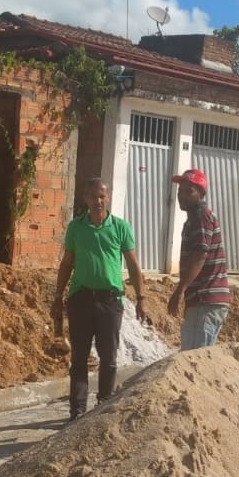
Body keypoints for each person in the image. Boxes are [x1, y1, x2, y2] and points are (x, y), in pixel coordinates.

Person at [53, 177, 146, 420]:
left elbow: (133, 265)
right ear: (85, 199)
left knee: (109, 357)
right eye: (94, 196)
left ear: (109, 198)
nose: (98, 201)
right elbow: (66, 264)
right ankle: (77, 412)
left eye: (103, 196)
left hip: (110, 301)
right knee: (79, 358)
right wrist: (57, 294)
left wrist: (142, 297)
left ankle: (103, 406)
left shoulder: (120, 227)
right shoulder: (76, 228)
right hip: (81, 300)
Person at [167, 168, 230, 350]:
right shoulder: (194, 219)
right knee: (196, 357)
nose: (182, 196)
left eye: (189, 191)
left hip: (206, 299)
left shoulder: (200, 217)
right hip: (203, 300)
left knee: (194, 357)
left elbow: (200, 255)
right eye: (180, 192)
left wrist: (180, 290)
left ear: (201, 193)